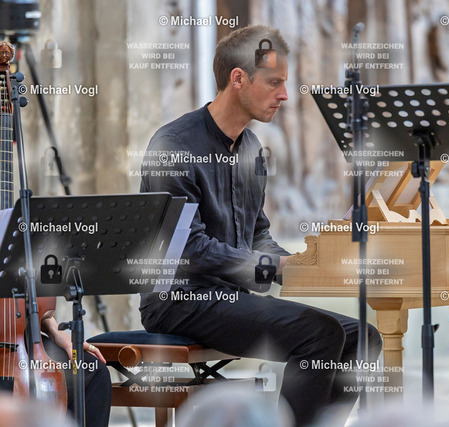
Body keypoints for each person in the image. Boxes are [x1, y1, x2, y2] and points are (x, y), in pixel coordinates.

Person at [138, 25, 382, 426]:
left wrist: (308, 262)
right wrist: (273, 266)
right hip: (179, 301)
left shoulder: (251, 149)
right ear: (238, 79)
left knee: (363, 338)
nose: (285, 95)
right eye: (274, 82)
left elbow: (258, 235)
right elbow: (188, 249)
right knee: (320, 333)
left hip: (229, 297)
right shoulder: (174, 146)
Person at [41, 310, 111, 427]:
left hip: (26, 336)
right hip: (10, 341)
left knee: (93, 370)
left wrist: (57, 333)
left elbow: (40, 309)